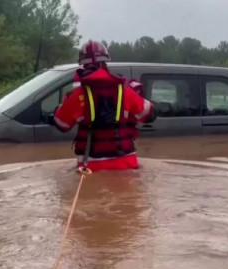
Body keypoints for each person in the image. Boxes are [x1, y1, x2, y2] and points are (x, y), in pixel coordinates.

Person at [53, 40, 155, 172]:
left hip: (91, 167)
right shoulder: (125, 91)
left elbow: (62, 124)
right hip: (126, 165)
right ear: (105, 63)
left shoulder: (77, 96)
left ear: (83, 66)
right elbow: (150, 114)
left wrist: (60, 107)